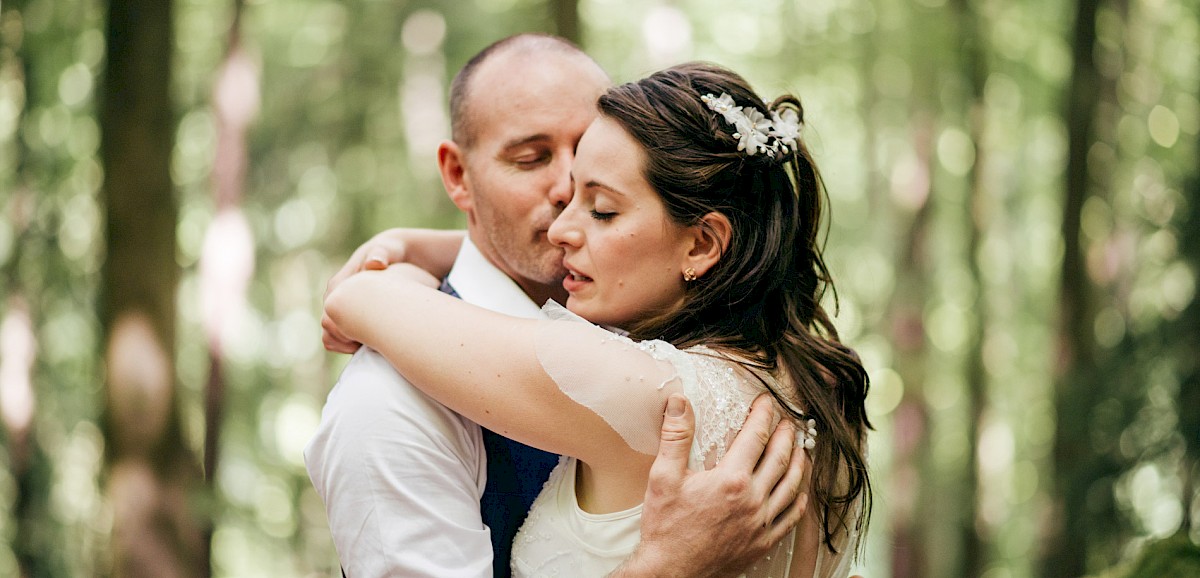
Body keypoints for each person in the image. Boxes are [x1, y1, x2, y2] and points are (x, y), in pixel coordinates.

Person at [322, 61, 872, 577]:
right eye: (533, 159)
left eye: (602, 209)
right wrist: (419, 247)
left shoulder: (632, 384)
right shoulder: (822, 385)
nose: (563, 222)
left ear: (704, 243)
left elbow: (355, 299)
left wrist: (389, 272)